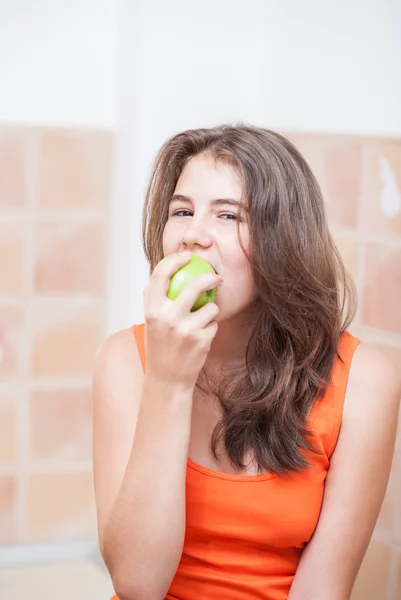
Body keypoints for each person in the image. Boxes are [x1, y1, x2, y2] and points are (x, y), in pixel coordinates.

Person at [92, 124, 401, 600]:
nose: (194, 235)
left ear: (285, 239)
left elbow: (323, 590)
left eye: (228, 216)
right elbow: (136, 584)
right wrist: (169, 383)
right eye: (182, 211)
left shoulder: (363, 382)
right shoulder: (125, 359)